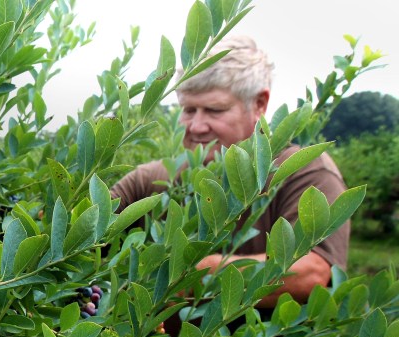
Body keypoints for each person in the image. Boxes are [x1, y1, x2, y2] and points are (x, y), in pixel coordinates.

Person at [110, 35, 349, 307]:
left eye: (214, 110)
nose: (196, 126)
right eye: (189, 109)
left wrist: (181, 274)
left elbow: (310, 272)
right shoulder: (155, 178)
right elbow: (85, 225)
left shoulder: (304, 171)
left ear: (259, 104)